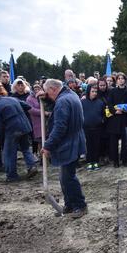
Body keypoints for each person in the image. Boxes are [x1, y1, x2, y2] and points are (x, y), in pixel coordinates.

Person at [41, 79, 87, 219]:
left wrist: (48, 145)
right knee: (64, 176)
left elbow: (60, 127)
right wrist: (47, 100)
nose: (47, 95)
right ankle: (70, 205)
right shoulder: (71, 95)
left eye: (47, 92)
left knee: (68, 177)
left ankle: (80, 205)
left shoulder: (62, 101)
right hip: (75, 140)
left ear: (54, 89)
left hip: (69, 144)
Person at [0, 90, 38, 182]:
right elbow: (27, 106)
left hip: (13, 130)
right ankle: (32, 166)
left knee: (8, 153)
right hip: (25, 126)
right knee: (25, 148)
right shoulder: (12, 99)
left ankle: (12, 176)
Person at [107, 73, 127, 167]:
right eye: (119, 78)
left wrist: (124, 110)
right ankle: (115, 161)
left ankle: (124, 159)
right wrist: (115, 111)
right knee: (114, 142)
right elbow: (109, 104)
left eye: (122, 78)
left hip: (124, 118)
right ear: (116, 80)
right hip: (114, 119)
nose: (121, 80)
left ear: (125, 80)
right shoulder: (112, 91)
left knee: (125, 141)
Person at [82, 84, 105, 171]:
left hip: (97, 128)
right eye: (92, 91)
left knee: (96, 146)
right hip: (86, 128)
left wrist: (102, 120)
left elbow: (104, 114)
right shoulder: (83, 102)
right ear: (88, 92)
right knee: (88, 146)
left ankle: (95, 161)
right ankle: (89, 162)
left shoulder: (100, 102)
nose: (94, 93)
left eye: (96, 92)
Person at [27, 84, 50, 157]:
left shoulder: (44, 96)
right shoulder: (30, 99)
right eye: (35, 88)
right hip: (37, 122)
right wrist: (43, 113)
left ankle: (49, 156)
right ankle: (42, 157)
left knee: (48, 139)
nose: (37, 89)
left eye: (38, 88)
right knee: (40, 140)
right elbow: (31, 110)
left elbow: (48, 105)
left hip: (47, 121)